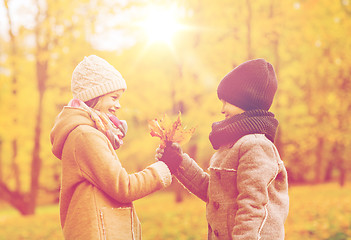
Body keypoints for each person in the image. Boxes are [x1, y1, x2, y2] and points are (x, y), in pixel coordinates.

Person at [157, 59, 289, 240]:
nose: (222, 109)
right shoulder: (231, 145)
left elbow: (252, 206)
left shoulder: (256, 145)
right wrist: (178, 162)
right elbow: (214, 193)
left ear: (246, 101)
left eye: (227, 102)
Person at [50, 55, 172, 240]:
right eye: (114, 97)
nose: (118, 104)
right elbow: (124, 187)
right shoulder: (85, 136)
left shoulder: (88, 133)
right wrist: (162, 170)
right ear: (95, 97)